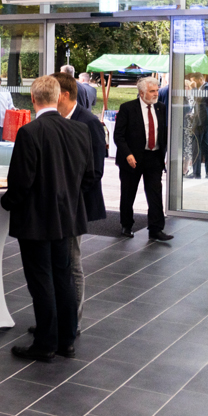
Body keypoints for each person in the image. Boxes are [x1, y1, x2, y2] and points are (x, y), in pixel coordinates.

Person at [2, 75, 93, 362]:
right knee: (63, 278)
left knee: (41, 281)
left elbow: (21, 181)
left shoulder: (30, 132)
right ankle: (66, 340)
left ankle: (45, 343)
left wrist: (6, 202)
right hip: (66, 218)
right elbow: (89, 176)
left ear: (33, 99)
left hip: (36, 221)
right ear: (58, 97)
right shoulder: (80, 130)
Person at [52, 72, 106, 330]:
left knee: (72, 263)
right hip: (58, 206)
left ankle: (71, 323)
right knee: (57, 263)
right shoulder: (56, 120)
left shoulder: (89, 122)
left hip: (76, 206)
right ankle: (54, 318)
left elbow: (94, 171)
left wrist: (69, 196)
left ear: (63, 95)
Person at [114, 77, 172, 241]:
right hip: (132, 158)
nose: (156, 94)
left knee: (155, 193)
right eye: (152, 91)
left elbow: (163, 133)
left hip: (154, 157)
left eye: (157, 90)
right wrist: (128, 154)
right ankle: (126, 225)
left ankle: (156, 229)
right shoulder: (127, 108)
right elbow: (118, 135)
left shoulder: (161, 108)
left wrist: (165, 154)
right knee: (128, 193)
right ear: (141, 93)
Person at [188, 73, 208, 179]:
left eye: (193, 81)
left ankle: (197, 173)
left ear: (200, 79)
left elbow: (200, 101)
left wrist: (194, 89)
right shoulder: (204, 87)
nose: (192, 83)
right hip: (201, 120)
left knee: (197, 146)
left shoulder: (207, 88)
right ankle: (207, 172)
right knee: (204, 146)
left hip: (201, 121)